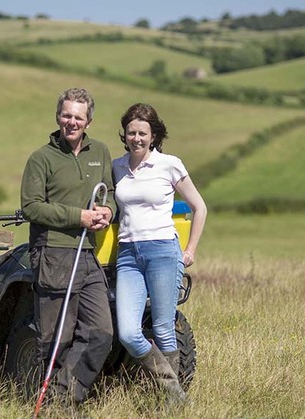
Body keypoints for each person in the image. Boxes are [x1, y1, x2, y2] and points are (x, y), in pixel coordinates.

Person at [20, 87, 116, 406]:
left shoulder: (100, 152)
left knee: (101, 333)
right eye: (66, 115)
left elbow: (110, 193)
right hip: (52, 253)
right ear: (57, 116)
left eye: (78, 116)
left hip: (88, 254)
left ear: (88, 121)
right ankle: (52, 405)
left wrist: (107, 211)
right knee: (56, 338)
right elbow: (32, 207)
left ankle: (62, 397)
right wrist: (80, 216)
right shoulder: (41, 158)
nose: (71, 122)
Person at [112, 102, 207, 404]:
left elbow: (199, 207)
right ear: (124, 135)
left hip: (163, 252)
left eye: (142, 133)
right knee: (128, 332)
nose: (136, 138)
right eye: (131, 133)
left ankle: (170, 401)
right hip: (127, 254)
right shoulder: (116, 167)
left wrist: (189, 249)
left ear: (153, 136)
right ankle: (176, 392)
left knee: (164, 328)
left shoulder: (169, 164)